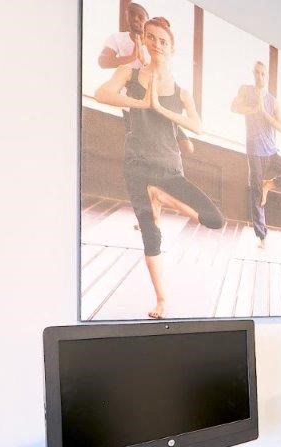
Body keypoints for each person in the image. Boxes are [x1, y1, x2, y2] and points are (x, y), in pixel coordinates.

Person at [95, 17, 224, 319]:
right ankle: (162, 300)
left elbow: (197, 126)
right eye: (151, 37)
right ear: (144, 40)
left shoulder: (181, 93)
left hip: (169, 170)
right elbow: (103, 94)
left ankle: (162, 196)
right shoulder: (129, 72)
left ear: (172, 48)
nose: (157, 44)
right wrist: (143, 103)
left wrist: (161, 108)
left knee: (214, 220)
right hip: (138, 166)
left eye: (163, 41)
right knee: (151, 236)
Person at [97, 2, 196, 228]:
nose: (136, 20)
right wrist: (131, 56)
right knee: (146, 158)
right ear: (126, 16)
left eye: (141, 17)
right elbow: (103, 63)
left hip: (160, 106)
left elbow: (163, 74)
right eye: (132, 15)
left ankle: (159, 202)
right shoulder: (118, 39)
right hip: (136, 108)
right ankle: (152, 215)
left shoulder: (153, 44)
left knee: (185, 147)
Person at [231, 61, 281, 249]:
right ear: (253, 73)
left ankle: (269, 185)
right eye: (257, 73)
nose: (259, 76)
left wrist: (264, 114)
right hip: (254, 152)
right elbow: (234, 107)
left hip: (271, 151)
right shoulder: (246, 91)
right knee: (256, 193)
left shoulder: (272, 100)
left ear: (266, 76)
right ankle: (262, 237)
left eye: (263, 74)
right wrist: (254, 110)